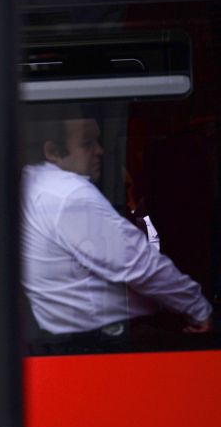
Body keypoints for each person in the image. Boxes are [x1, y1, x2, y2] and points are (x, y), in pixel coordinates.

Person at [20, 107, 212, 342]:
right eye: (87, 144)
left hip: (61, 334)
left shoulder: (32, 181)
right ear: (52, 151)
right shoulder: (69, 194)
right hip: (106, 338)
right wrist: (198, 308)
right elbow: (139, 266)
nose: (99, 151)